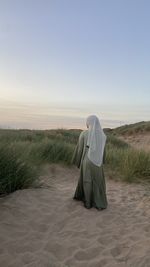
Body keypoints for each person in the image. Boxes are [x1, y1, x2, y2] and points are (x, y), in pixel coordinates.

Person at [72, 115, 107, 210]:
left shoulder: (84, 133)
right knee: (98, 182)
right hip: (98, 163)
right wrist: (103, 161)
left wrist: (77, 161)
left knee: (87, 181)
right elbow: (103, 151)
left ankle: (88, 203)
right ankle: (98, 202)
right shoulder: (103, 136)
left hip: (87, 160)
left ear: (89, 122)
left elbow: (80, 149)